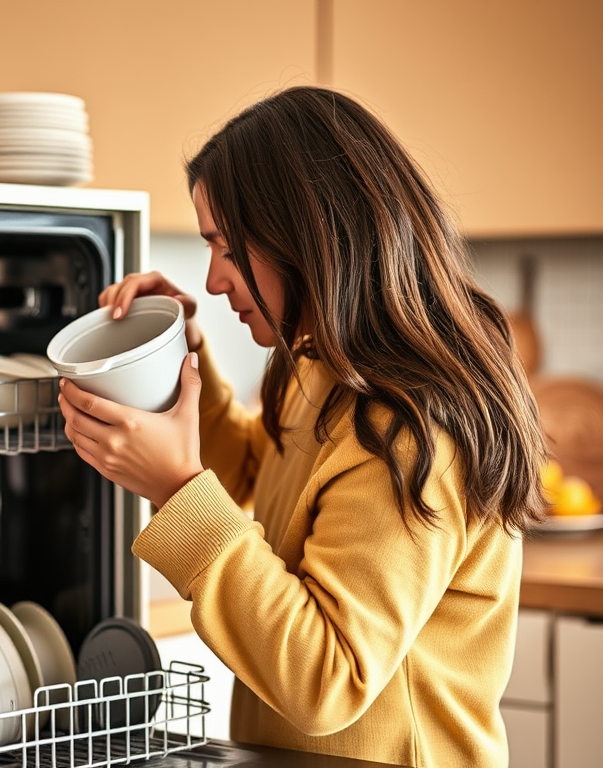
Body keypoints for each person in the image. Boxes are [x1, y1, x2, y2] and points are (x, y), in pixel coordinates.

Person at [56, 85, 547, 767]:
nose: (213, 278)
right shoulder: (319, 366)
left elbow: (328, 680)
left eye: (227, 248)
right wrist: (177, 358)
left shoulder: (407, 427)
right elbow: (257, 478)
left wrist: (175, 488)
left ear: (307, 234)